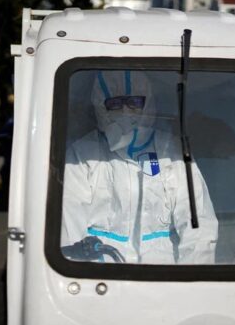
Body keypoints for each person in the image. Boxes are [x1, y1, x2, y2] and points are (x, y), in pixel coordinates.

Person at [61, 70, 218, 264]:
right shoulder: (84, 155)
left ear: (148, 103)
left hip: (161, 270)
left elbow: (197, 222)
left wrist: (191, 280)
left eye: (134, 103)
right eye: (115, 104)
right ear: (101, 106)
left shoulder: (170, 152)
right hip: (101, 271)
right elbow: (69, 225)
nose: (126, 112)